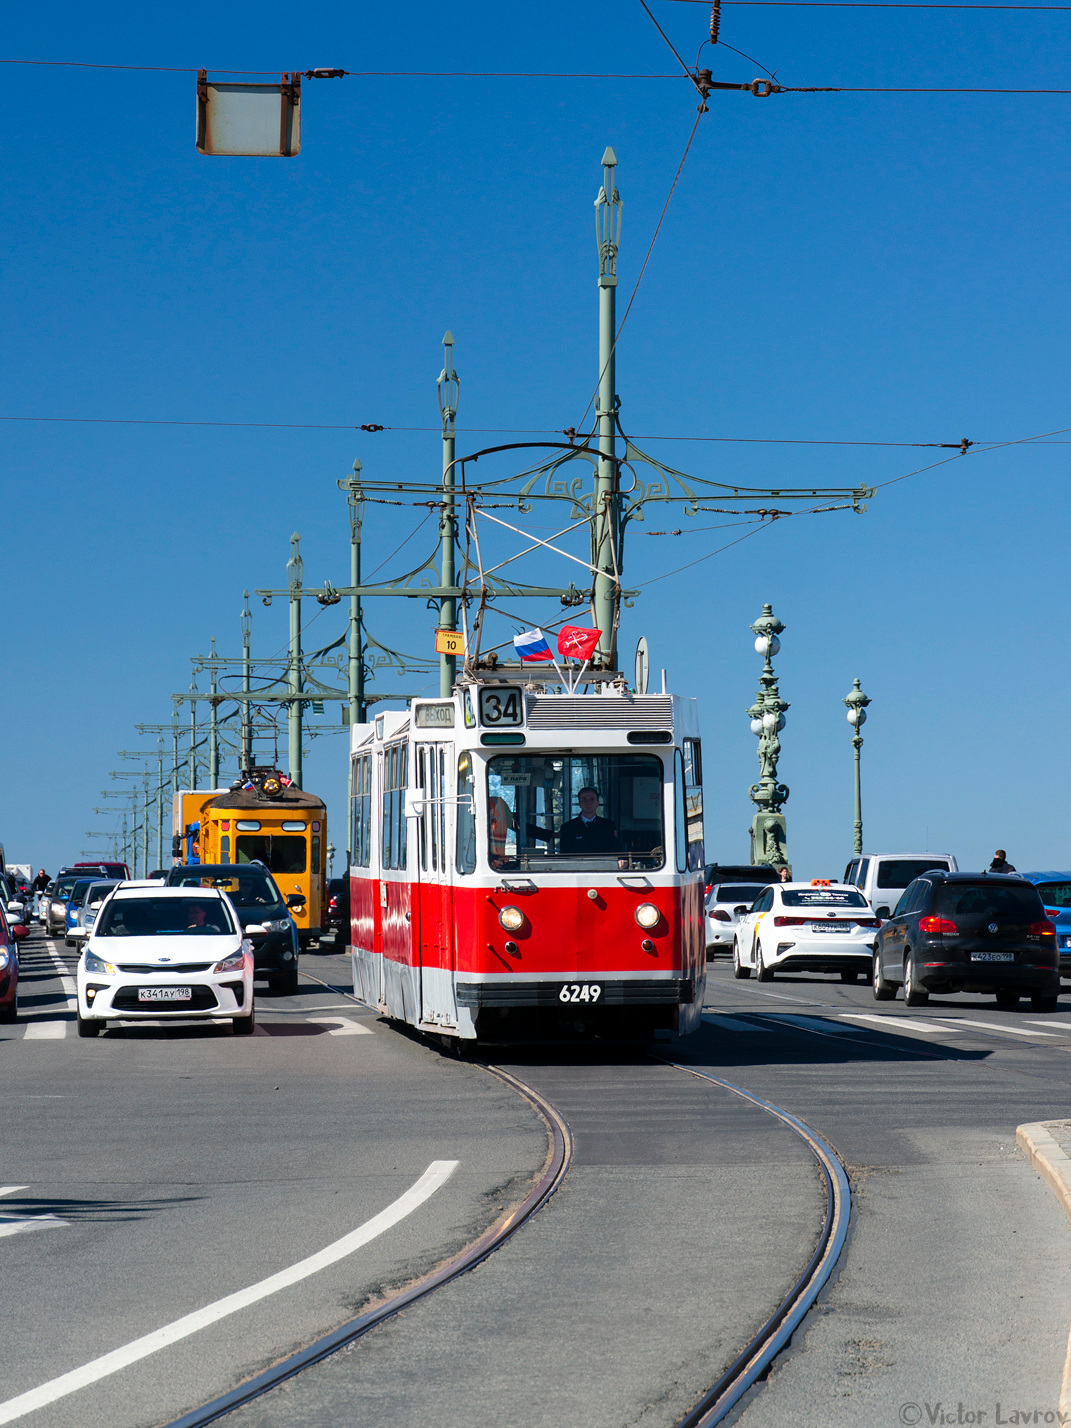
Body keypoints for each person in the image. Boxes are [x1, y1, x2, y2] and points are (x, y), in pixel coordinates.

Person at [558, 788, 622, 858]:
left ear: (597, 803)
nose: (588, 803)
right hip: (577, 867)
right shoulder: (567, 828)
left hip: (604, 867)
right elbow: (565, 855)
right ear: (580, 804)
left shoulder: (608, 825)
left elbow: (615, 850)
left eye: (592, 799)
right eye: (584, 799)